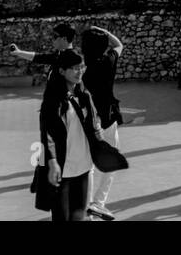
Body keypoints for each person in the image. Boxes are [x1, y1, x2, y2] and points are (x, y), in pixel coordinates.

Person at [37, 48, 105, 222]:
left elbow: (94, 120)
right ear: (61, 71)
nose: (79, 71)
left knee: (78, 216)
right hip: (63, 168)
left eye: (82, 67)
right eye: (74, 68)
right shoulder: (53, 99)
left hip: (83, 165)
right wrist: (52, 162)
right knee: (62, 217)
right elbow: (47, 133)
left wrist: (97, 129)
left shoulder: (84, 95)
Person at [80, 26, 124, 221]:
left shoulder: (80, 67)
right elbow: (119, 44)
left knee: (87, 166)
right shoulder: (108, 61)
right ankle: (98, 202)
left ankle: (86, 206)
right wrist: (104, 31)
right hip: (107, 119)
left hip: (87, 122)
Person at [9, 22, 77, 83]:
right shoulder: (61, 55)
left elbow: (40, 57)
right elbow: (40, 57)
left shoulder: (67, 58)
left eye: (55, 36)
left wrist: (19, 52)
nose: (52, 39)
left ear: (64, 39)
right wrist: (19, 52)